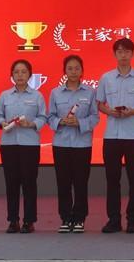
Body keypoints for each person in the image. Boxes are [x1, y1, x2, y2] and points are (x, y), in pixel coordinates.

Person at [96, 38, 134, 234]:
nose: (123, 55)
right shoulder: (106, 78)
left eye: (127, 51)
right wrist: (109, 111)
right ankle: (113, 220)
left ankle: (133, 221)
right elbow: (100, 104)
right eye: (119, 51)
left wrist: (132, 112)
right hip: (112, 136)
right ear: (115, 54)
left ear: (132, 54)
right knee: (112, 180)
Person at [47, 55, 99, 233]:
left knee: (81, 182)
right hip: (61, 144)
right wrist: (61, 121)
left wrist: (80, 123)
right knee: (63, 182)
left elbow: (95, 117)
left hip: (82, 144)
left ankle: (79, 218)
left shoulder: (90, 92)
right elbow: (50, 117)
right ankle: (65, 217)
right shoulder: (55, 93)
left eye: (77, 68)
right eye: (70, 68)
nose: (74, 71)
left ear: (82, 71)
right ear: (64, 71)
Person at [0, 59, 47, 234]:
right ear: (12, 75)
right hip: (9, 144)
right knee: (11, 183)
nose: (20, 75)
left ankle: (29, 221)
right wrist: (2, 123)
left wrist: (31, 124)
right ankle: (13, 220)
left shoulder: (37, 96)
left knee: (29, 183)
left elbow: (43, 117)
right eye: (16, 72)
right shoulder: (5, 96)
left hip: (30, 144)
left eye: (24, 72)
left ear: (30, 75)